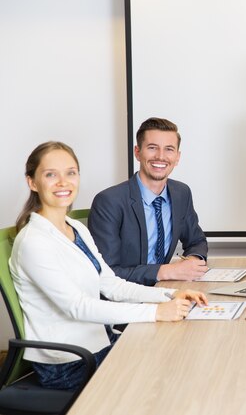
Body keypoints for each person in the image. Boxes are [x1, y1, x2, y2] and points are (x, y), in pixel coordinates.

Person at [9, 141, 208, 390]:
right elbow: (78, 307)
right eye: (51, 174)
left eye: (70, 173)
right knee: (169, 376)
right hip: (70, 363)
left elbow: (110, 284)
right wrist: (156, 312)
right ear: (32, 182)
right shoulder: (33, 242)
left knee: (183, 356)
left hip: (101, 344)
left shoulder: (75, 228)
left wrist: (169, 294)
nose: (63, 182)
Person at [89, 117, 208, 286]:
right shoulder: (109, 201)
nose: (160, 156)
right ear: (138, 152)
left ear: (177, 157)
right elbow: (106, 272)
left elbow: (196, 241)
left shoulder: (181, 193)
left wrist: (193, 261)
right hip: (126, 298)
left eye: (169, 149)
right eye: (152, 148)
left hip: (166, 288)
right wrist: (167, 271)